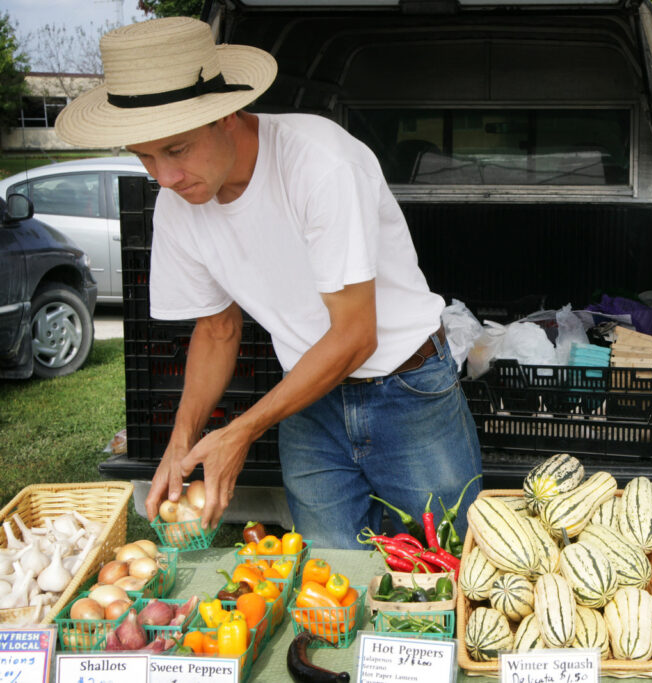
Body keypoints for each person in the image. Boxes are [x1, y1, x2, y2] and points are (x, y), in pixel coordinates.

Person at [55, 17, 482, 548]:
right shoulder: (176, 203)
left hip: (408, 388)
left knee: (444, 560)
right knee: (329, 581)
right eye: (145, 157)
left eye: (177, 149)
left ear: (227, 114)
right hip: (304, 400)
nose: (163, 178)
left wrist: (240, 431)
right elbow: (216, 330)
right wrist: (180, 442)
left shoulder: (320, 164)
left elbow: (355, 335)